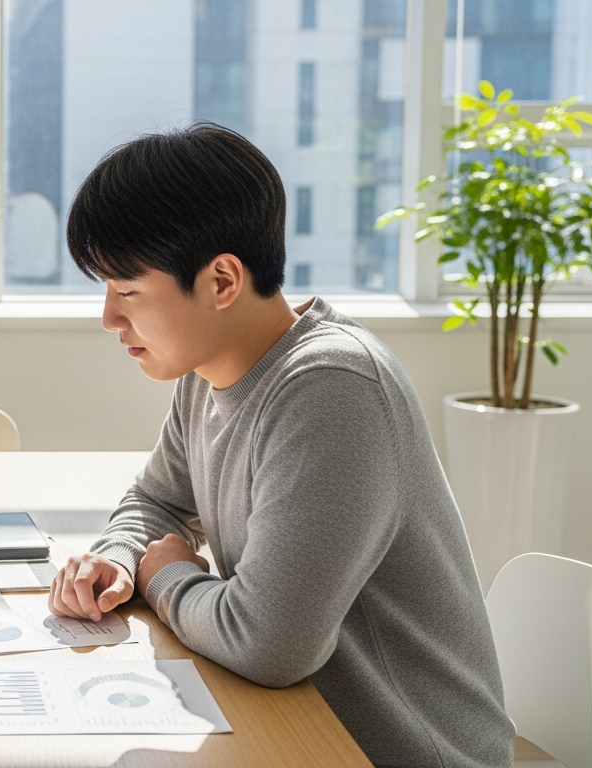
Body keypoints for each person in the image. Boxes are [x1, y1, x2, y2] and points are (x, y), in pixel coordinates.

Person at [47, 123, 514, 767]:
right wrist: (120, 559)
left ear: (221, 281)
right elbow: (156, 501)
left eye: (127, 290)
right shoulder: (206, 373)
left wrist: (166, 577)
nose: (109, 318)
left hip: (394, 751)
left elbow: (267, 643)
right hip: (296, 729)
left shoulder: (329, 388)